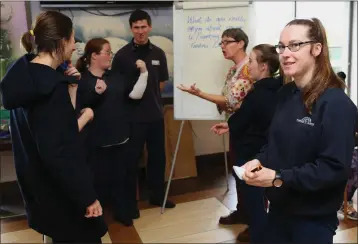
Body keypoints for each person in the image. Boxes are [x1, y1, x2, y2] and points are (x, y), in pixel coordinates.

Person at [242, 18, 357, 243]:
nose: (285, 53)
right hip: (278, 211)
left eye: (295, 45)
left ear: (317, 48)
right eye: (282, 46)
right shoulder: (286, 94)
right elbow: (274, 145)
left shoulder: (336, 104)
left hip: (312, 221)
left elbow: (333, 169)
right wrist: (259, 161)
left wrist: (277, 178)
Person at [0, 11, 107, 243]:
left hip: (42, 193)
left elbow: (52, 132)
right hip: (64, 196)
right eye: (71, 39)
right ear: (61, 42)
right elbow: (60, 152)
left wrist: (70, 88)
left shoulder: (25, 77)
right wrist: (87, 197)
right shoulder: (50, 89)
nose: (74, 45)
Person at [177, 28, 253, 225]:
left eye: (227, 42)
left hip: (249, 130)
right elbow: (226, 101)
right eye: (221, 42)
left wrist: (199, 93)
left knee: (248, 174)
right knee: (238, 172)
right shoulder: (233, 69)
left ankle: (253, 219)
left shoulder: (247, 68)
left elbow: (230, 100)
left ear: (241, 43)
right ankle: (243, 211)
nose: (222, 46)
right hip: (236, 127)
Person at [211, 44, 282, 242]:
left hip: (252, 154)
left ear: (264, 66)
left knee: (254, 200)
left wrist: (231, 124)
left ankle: (260, 235)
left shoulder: (259, 94)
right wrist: (230, 125)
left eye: (251, 61)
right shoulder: (278, 89)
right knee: (258, 198)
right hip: (264, 150)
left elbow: (244, 118)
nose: (248, 65)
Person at [76, 37, 149, 226]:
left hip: (121, 138)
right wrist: (96, 94)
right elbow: (81, 109)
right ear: (93, 56)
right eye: (107, 52)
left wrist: (144, 74)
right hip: (97, 142)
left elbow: (134, 95)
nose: (110, 56)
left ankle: (124, 210)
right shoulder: (82, 81)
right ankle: (97, 215)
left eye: (110, 52)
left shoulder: (116, 77)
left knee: (123, 176)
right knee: (99, 180)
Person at [111, 9, 175, 213]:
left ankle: (158, 196)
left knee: (158, 158)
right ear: (131, 28)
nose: (140, 31)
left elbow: (162, 83)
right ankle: (130, 203)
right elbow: (117, 88)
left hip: (155, 115)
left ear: (149, 27)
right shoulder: (121, 56)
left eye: (144, 27)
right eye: (136, 27)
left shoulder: (158, 53)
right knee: (131, 160)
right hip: (132, 118)